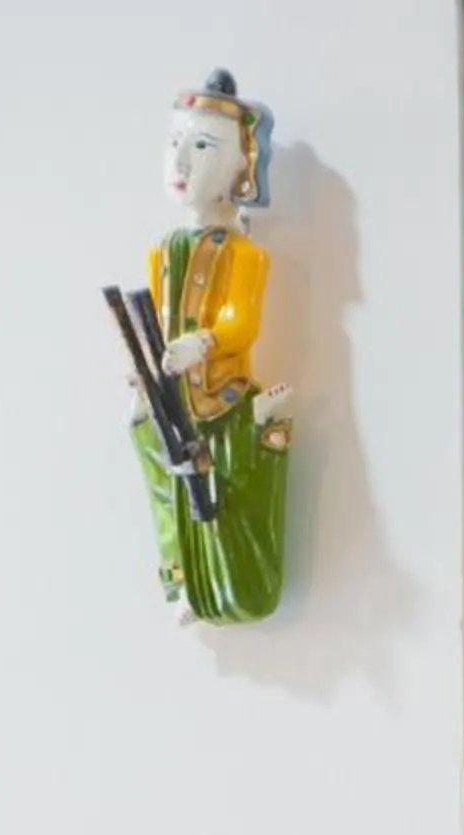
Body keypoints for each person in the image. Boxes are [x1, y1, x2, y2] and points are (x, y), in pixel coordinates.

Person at [131, 71, 292, 623]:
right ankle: (186, 582)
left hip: (220, 395)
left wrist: (203, 343)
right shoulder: (163, 251)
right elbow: (155, 315)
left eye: (202, 147)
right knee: (166, 477)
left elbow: (241, 321)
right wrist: (144, 364)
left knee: (220, 483)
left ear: (243, 167)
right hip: (172, 394)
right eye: (175, 143)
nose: (180, 162)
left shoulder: (245, 255)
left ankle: (227, 581)